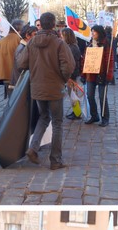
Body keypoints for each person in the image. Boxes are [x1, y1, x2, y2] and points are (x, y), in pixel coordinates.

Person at [18, 11, 75, 170]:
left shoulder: (31, 42)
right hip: (54, 88)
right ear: (54, 24)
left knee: (44, 118)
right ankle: (55, 160)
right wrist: (62, 79)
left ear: (41, 25)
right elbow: (68, 66)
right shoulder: (59, 43)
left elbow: (21, 63)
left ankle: (33, 148)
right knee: (57, 122)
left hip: (37, 88)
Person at [84, 24, 114, 126]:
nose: (92, 33)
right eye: (92, 32)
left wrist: (109, 76)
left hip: (102, 74)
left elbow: (110, 60)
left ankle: (105, 117)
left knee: (102, 97)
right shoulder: (89, 44)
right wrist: (84, 74)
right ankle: (94, 115)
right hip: (91, 74)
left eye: (94, 32)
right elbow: (86, 60)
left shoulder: (106, 44)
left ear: (99, 33)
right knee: (90, 95)